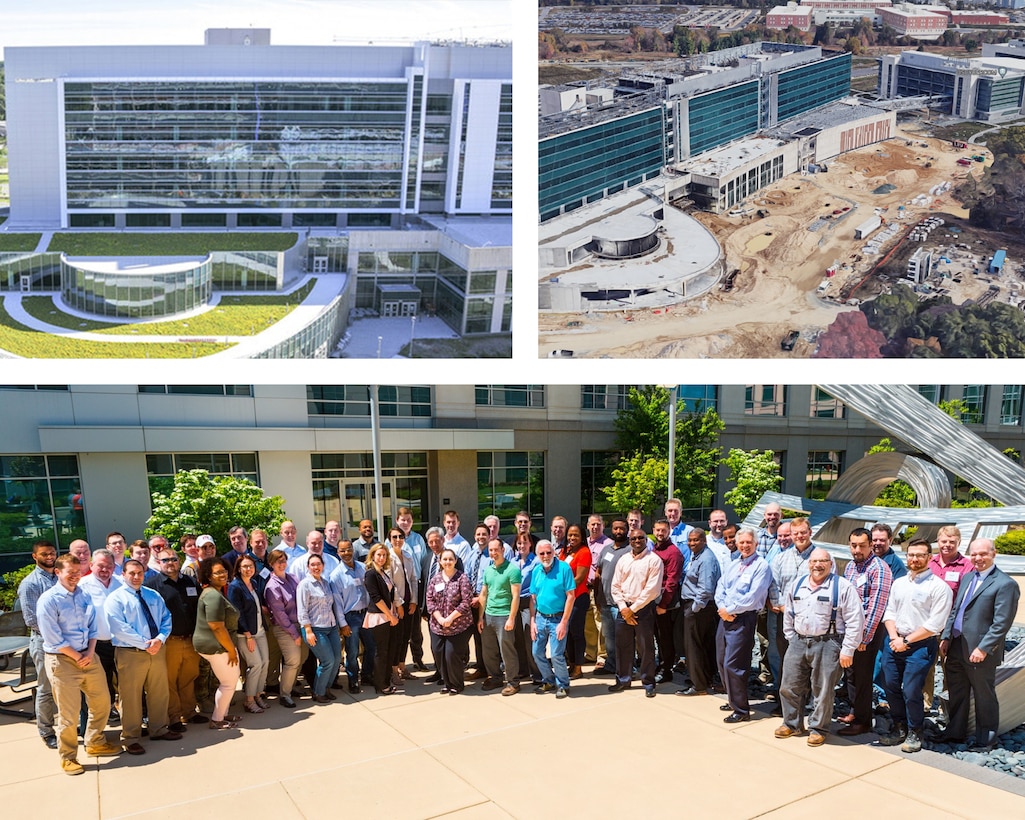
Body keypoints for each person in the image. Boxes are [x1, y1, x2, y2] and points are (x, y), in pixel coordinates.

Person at [36, 554, 122, 775]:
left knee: (103, 702)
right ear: (58, 572)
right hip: (63, 661)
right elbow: (53, 638)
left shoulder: (83, 594)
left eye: (77, 572)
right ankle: (68, 757)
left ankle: (94, 742)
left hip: (89, 656)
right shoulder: (48, 600)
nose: (75, 576)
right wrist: (77, 656)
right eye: (70, 573)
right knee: (69, 713)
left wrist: (90, 652)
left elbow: (93, 626)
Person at [939, 538, 1021, 751]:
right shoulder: (967, 578)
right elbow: (956, 611)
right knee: (958, 691)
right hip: (957, 646)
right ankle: (955, 732)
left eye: (983, 554)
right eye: (974, 554)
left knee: (985, 696)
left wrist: (984, 648)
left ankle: (986, 739)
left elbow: (1001, 623)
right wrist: (946, 637)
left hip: (979, 651)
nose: (978, 558)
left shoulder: (1005, 584)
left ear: (994, 554)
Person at [777, 549, 863, 747]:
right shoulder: (798, 584)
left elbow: (855, 620)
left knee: (822, 689)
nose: (818, 565)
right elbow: (788, 613)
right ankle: (791, 724)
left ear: (831, 564)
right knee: (788, 686)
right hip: (798, 641)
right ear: (809, 563)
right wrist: (791, 637)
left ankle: (818, 728)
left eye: (823, 561)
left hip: (828, 642)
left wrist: (848, 649)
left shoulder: (842, 586)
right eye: (814, 561)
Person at [878, 539, 952, 753]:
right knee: (890, 685)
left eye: (920, 555)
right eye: (911, 555)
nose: (915, 559)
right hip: (894, 641)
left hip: (920, 646)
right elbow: (889, 612)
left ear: (930, 558)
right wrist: (894, 637)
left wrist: (906, 641)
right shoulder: (899, 583)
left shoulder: (939, 587)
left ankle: (915, 730)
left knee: (911, 690)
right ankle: (899, 726)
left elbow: (935, 624)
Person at [105, 558, 179, 754]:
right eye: (132, 573)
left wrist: (160, 639)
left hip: (156, 650)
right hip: (131, 653)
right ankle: (130, 738)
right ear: (123, 574)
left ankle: (159, 728)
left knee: (159, 692)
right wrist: (145, 644)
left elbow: (166, 618)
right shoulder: (116, 599)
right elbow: (119, 628)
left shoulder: (153, 595)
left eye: (140, 573)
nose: (136, 577)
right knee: (130, 697)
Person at [838, 527, 892, 737]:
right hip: (850, 630)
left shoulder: (879, 568)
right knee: (850, 674)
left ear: (871, 545)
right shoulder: (851, 566)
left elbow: (877, 606)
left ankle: (863, 721)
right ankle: (856, 710)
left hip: (866, 633)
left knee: (861, 675)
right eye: (854, 545)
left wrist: (864, 638)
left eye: (862, 545)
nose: (857, 549)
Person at [715, 529, 772, 723]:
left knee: (734, 664)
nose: (745, 546)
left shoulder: (761, 566)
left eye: (749, 542)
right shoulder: (733, 564)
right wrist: (723, 608)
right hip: (725, 616)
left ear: (755, 544)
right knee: (722, 660)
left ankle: (741, 710)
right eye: (741, 543)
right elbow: (720, 587)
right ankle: (733, 700)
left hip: (743, 618)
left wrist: (730, 609)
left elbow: (753, 596)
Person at [145, 546, 202, 730]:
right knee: (169, 681)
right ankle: (174, 717)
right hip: (170, 641)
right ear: (158, 562)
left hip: (190, 639)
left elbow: (199, 609)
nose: (170, 563)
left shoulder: (190, 581)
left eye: (173, 559)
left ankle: (189, 712)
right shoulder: (152, 585)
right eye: (165, 560)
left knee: (188, 677)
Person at [609, 528, 664, 697]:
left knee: (646, 647)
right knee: (622, 646)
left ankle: (648, 682)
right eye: (634, 538)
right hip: (623, 607)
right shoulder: (623, 559)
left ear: (646, 540)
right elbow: (615, 586)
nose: (637, 541)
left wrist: (631, 610)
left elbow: (651, 591)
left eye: (641, 538)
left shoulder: (654, 560)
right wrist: (623, 608)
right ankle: (623, 679)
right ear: (629, 540)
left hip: (643, 609)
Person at [18, 539, 59, 749]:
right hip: (44, 642)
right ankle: (46, 731)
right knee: (46, 688)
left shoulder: (60, 576)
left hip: (67, 642)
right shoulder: (30, 583)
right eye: (45, 554)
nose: (50, 557)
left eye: (52, 553)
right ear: (35, 557)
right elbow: (32, 620)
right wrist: (59, 635)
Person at [767, 518, 813, 703]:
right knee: (785, 657)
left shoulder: (820, 556)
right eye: (796, 533)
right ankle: (785, 699)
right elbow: (773, 585)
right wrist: (780, 605)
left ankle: (806, 700)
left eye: (803, 532)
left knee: (807, 660)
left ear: (810, 532)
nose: (799, 536)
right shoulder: (781, 558)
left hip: (810, 619)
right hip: (784, 616)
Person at [193, 557, 242, 729]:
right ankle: (217, 720)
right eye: (218, 572)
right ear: (208, 575)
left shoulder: (214, 592)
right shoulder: (213, 595)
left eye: (224, 571)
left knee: (227, 681)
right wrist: (231, 650)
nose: (223, 574)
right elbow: (217, 627)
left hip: (214, 645)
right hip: (216, 646)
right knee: (229, 683)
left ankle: (223, 713)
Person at [77, 549, 122, 724]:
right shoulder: (81, 586)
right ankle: (107, 712)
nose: (105, 569)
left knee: (127, 683)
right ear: (91, 565)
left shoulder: (121, 583)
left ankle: (137, 714)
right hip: (97, 645)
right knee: (102, 684)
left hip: (121, 643)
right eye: (100, 566)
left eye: (109, 566)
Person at [529, 540, 576, 699]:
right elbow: (532, 598)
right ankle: (548, 680)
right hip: (541, 617)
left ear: (554, 552)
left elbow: (571, 596)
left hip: (558, 618)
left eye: (548, 552)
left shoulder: (564, 568)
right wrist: (533, 621)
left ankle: (563, 684)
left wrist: (564, 622)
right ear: (537, 555)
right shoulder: (536, 571)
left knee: (556, 654)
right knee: (536, 652)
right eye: (541, 553)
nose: (545, 556)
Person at [677, 529, 722, 697]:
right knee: (702, 645)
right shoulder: (697, 556)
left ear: (704, 540)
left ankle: (698, 685)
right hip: (697, 606)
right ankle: (702, 678)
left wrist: (694, 609)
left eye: (696, 540)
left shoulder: (706, 559)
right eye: (690, 540)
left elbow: (706, 588)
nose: (692, 543)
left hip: (699, 608)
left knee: (693, 646)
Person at [426, 548, 475, 694]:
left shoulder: (462, 578)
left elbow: (466, 602)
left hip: (458, 626)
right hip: (438, 625)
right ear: (440, 562)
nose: (447, 562)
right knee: (438, 652)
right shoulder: (435, 579)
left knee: (451, 655)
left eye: (450, 559)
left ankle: (456, 684)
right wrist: (440, 618)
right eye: (445, 559)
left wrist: (450, 618)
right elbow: (429, 599)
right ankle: (447, 683)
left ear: (455, 561)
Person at [478, 538, 523, 695]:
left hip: (504, 616)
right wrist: (480, 617)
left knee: (507, 650)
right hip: (489, 615)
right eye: (490, 550)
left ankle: (513, 682)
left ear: (503, 550)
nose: (493, 553)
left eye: (496, 549)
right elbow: (483, 594)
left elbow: (515, 596)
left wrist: (511, 618)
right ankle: (496, 678)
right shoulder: (488, 570)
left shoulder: (512, 570)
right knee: (488, 651)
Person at [228, 555, 271, 713]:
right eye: (245, 566)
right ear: (239, 568)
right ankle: (249, 700)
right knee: (256, 664)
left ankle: (258, 694)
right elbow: (237, 613)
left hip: (259, 630)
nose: (248, 569)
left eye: (251, 566)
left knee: (265, 662)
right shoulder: (235, 586)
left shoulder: (253, 583)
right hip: (246, 634)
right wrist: (247, 635)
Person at [264, 548, 307, 707]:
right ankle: (285, 694)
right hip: (285, 628)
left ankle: (290, 686)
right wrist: (294, 633)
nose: (282, 564)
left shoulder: (293, 578)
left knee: (302, 657)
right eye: (278, 561)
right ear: (271, 564)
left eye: (283, 560)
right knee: (293, 660)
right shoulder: (272, 587)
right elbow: (280, 614)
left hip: (300, 624)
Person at [330, 540, 374, 694]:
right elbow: (337, 603)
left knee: (371, 647)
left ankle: (367, 675)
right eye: (342, 551)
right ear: (338, 553)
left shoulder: (363, 568)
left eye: (348, 549)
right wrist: (343, 624)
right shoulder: (335, 576)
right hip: (350, 618)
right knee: (352, 651)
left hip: (366, 614)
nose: (346, 553)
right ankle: (353, 680)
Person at [296, 553, 341, 703]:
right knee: (327, 661)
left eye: (318, 564)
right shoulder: (304, 585)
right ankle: (318, 692)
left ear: (323, 565)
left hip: (331, 626)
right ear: (308, 567)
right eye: (312, 564)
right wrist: (308, 630)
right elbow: (302, 610)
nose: (316, 567)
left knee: (336, 659)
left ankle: (326, 688)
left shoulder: (325, 582)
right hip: (315, 628)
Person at [594, 518, 630, 677]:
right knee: (609, 637)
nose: (618, 532)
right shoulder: (606, 549)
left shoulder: (630, 549)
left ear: (627, 530)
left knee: (624, 639)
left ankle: (628, 668)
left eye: (621, 528)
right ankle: (611, 665)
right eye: (615, 528)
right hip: (605, 601)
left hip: (621, 603)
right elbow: (598, 573)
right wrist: (597, 596)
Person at [364, 544, 400, 695]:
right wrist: (390, 615)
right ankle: (381, 685)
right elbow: (376, 598)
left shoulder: (383, 573)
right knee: (381, 651)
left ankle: (386, 680)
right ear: (372, 556)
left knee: (388, 650)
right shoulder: (371, 574)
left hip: (389, 616)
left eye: (384, 555)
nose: (381, 558)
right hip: (379, 617)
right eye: (378, 555)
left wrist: (393, 614)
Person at [651, 518, 684, 684]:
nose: (660, 533)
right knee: (657, 636)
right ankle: (661, 664)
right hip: (653, 599)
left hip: (666, 603)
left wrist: (663, 604)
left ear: (669, 531)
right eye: (657, 530)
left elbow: (672, 581)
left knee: (666, 637)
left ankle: (666, 670)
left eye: (663, 530)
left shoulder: (673, 553)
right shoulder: (654, 550)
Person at [396, 507, 429, 671]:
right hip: (399, 590)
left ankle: (418, 659)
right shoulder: (392, 540)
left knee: (416, 629)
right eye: (403, 520)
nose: (406, 523)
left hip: (416, 587)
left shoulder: (418, 539)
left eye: (409, 520)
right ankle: (399, 662)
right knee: (400, 630)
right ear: (397, 521)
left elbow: (423, 562)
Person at [558, 523, 592, 679]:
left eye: (576, 535)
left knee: (576, 632)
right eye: (570, 535)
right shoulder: (565, 552)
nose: (572, 538)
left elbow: (579, 579)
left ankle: (578, 667)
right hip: (565, 599)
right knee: (568, 633)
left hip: (578, 598)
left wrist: (561, 588)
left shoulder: (584, 552)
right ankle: (571, 663)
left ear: (582, 537)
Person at [386, 527, 418, 685]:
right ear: (389, 539)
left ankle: (402, 667)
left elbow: (413, 579)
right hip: (396, 605)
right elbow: (390, 584)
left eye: (400, 536)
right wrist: (398, 604)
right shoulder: (388, 558)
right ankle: (393, 672)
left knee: (406, 637)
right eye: (394, 537)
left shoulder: (407, 555)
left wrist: (414, 601)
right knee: (396, 639)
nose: (398, 539)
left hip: (409, 604)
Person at [513, 533, 541, 684]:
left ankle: (537, 673)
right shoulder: (512, 561)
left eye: (525, 543)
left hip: (528, 601)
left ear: (530, 544)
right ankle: (523, 670)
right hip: (514, 602)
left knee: (530, 636)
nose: (522, 546)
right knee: (517, 638)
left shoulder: (536, 561)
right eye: (519, 543)